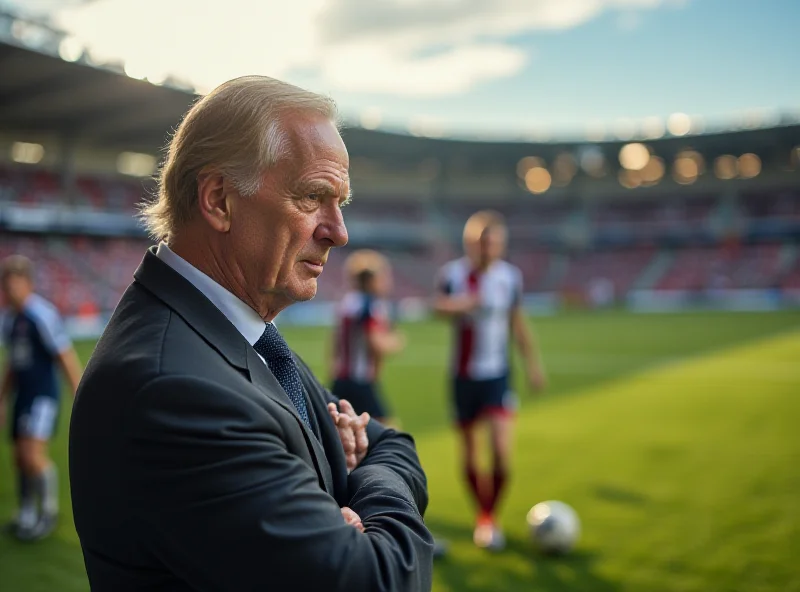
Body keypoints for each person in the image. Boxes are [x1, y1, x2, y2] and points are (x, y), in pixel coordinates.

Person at [70, 76, 433, 591]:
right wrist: (364, 485)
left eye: (340, 204)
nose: (338, 231)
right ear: (219, 199)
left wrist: (355, 497)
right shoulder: (173, 389)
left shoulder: (238, 332)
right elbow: (381, 579)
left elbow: (391, 442)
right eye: (313, 196)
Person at [433, 210, 547, 551]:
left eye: (493, 242)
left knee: (500, 451)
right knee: (469, 455)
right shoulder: (453, 274)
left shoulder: (509, 278)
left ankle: (488, 517)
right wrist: (461, 304)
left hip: (497, 376)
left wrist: (533, 364)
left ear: (500, 245)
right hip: (463, 377)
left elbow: (517, 322)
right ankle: (484, 516)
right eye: (480, 243)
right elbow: (437, 307)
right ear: (470, 244)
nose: (486, 249)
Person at [0, 254, 82, 541]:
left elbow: (65, 356)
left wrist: (79, 393)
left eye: (16, 283)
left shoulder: (41, 315)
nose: (11, 290)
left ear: (28, 284)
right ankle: (25, 513)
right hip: (22, 396)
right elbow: (14, 362)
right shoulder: (10, 320)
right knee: (18, 458)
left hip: (42, 397)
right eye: (6, 284)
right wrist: (2, 399)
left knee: (33, 456)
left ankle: (46, 513)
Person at [330, 249, 405, 426]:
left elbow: (335, 343)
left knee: (344, 432)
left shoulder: (348, 302)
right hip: (361, 381)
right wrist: (396, 342)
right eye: (384, 277)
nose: (387, 282)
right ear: (371, 281)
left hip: (341, 379)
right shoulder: (370, 305)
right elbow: (375, 343)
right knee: (386, 432)